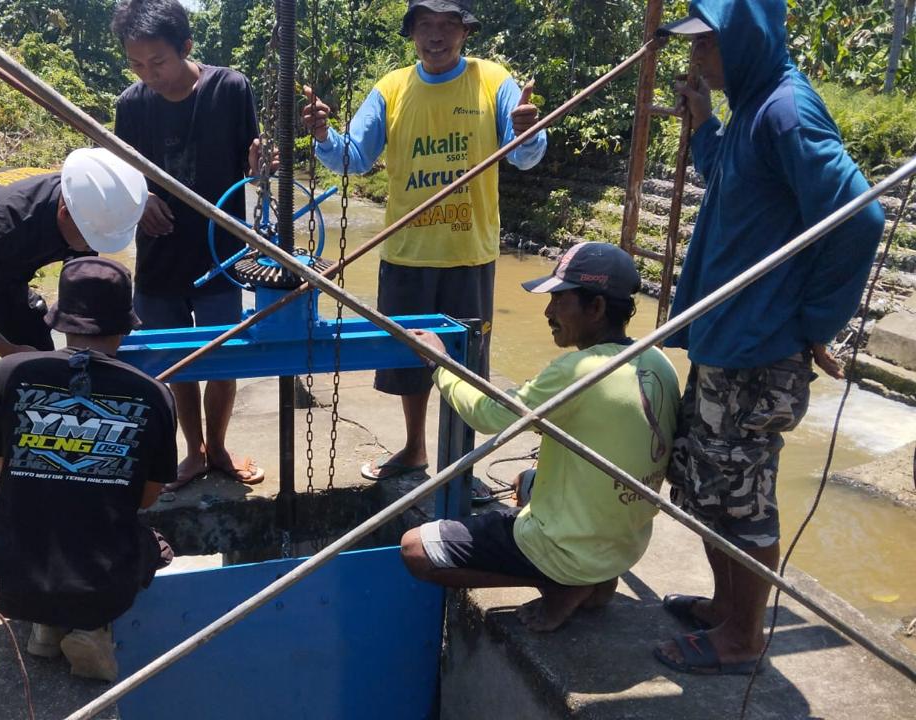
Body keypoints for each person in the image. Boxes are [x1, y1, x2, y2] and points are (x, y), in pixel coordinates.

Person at [653, 0, 885, 675]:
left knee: (743, 494)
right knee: (707, 485)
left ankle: (743, 637)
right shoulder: (755, 109)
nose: (696, 59)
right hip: (728, 337)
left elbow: (861, 217)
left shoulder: (786, 111)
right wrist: (704, 125)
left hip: (760, 348)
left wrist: (814, 324)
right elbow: (735, 180)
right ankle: (726, 611)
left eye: (708, 46)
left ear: (747, 41)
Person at [300, 0, 547, 481]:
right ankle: (414, 448)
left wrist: (527, 130)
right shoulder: (391, 88)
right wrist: (325, 134)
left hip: (468, 254)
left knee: (468, 369)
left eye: (448, 25)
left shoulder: (495, 80)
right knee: (409, 362)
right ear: (412, 33)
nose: (437, 36)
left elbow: (524, 158)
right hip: (407, 253)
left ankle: (462, 465)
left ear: (465, 33)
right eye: (426, 26)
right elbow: (352, 159)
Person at [400, 243, 680, 632]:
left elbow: (487, 413)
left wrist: (439, 362)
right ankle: (595, 579)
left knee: (416, 550)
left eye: (560, 301)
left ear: (596, 308)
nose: (549, 313)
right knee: (525, 482)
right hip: (624, 546)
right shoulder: (658, 360)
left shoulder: (577, 369)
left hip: (572, 550)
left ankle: (560, 582)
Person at [0, 257, 176, 682]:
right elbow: (146, 496)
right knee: (143, 539)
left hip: (2, 577)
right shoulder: (154, 395)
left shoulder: (11, 372)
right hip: (103, 583)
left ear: (60, 321)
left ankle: (44, 628)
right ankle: (90, 630)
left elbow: (1, 465)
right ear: (126, 325)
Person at [111, 0, 269, 490]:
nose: (148, 75)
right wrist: (141, 201)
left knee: (221, 357)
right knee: (176, 363)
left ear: (186, 47)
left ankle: (218, 447)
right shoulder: (130, 105)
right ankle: (193, 451)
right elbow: (122, 178)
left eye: (157, 62)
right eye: (137, 65)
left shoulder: (230, 89)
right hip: (159, 257)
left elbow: (254, 168)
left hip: (220, 252)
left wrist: (266, 165)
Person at [0, 151, 149, 451]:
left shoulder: (85, 205)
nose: (91, 247)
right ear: (64, 213)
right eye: (89, 239)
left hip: (6, 268)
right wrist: (7, 350)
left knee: (41, 356)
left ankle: (32, 450)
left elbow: (84, 288)